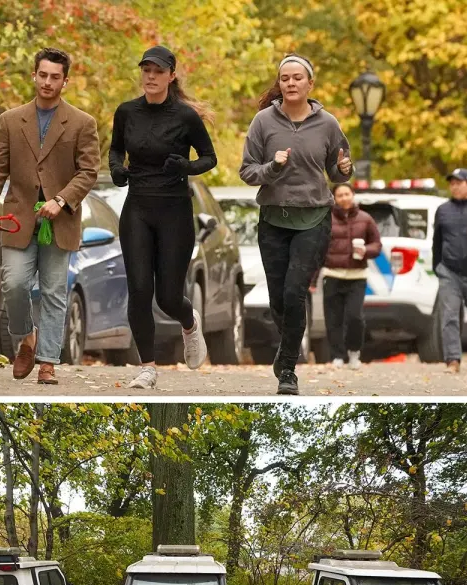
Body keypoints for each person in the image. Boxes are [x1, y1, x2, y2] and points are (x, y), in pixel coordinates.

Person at [0, 47, 100, 386]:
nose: (47, 82)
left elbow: (88, 172)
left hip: (60, 221)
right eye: (42, 75)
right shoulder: (11, 120)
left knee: (54, 291)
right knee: (14, 284)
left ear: (65, 81)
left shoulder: (82, 123)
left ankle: (47, 361)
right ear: (34, 75)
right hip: (18, 218)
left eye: (54, 77)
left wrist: (61, 200)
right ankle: (25, 339)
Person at [239, 54, 353, 395]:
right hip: (273, 219)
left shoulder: (328, 124)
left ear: (309, 84)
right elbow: (247, 171)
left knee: (294, 291)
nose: (290, 83)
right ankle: (287, 350)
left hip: (314, 217)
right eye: (285, 78)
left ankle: (287, 367)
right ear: (280, 83)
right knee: (278, 298)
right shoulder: (263, 122)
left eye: (297, 78)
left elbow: (337, 171)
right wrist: (271, 168)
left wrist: (345, 169)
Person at [108, 45, 217, 390]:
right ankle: (148, 368)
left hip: (174, 210)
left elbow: (209, 157)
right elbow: (115, 149)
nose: (151, 77)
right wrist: (115, 168)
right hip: (137, 206)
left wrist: (186, 166)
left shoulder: (185, 117)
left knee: (168, 297)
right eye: (146, 70)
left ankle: (189, 322)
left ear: (171, 75)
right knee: (140, 289)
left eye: (158, 71)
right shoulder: (126, 112)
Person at [322, 183, 380, 368]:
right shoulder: (326, 219)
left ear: (353, 195)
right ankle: (337, 356)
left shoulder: (366, 219)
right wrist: (311, 277)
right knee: (333, 319)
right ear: (334, 198)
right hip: (332, 275)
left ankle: (354, 352)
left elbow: (377, 244)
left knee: (355, 317)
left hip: (357, 276)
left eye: (347, 194)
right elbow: (317, 248)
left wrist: (366, 250)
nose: (344, 198)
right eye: (340, 195)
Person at [432, 168, 467, 374]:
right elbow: (436, 241)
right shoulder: (443, 210)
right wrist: (437, 266)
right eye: (452, 183)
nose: (455, 186)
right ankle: (452, 360)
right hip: (449, 271)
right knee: (449, 316)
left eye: (459, 182)